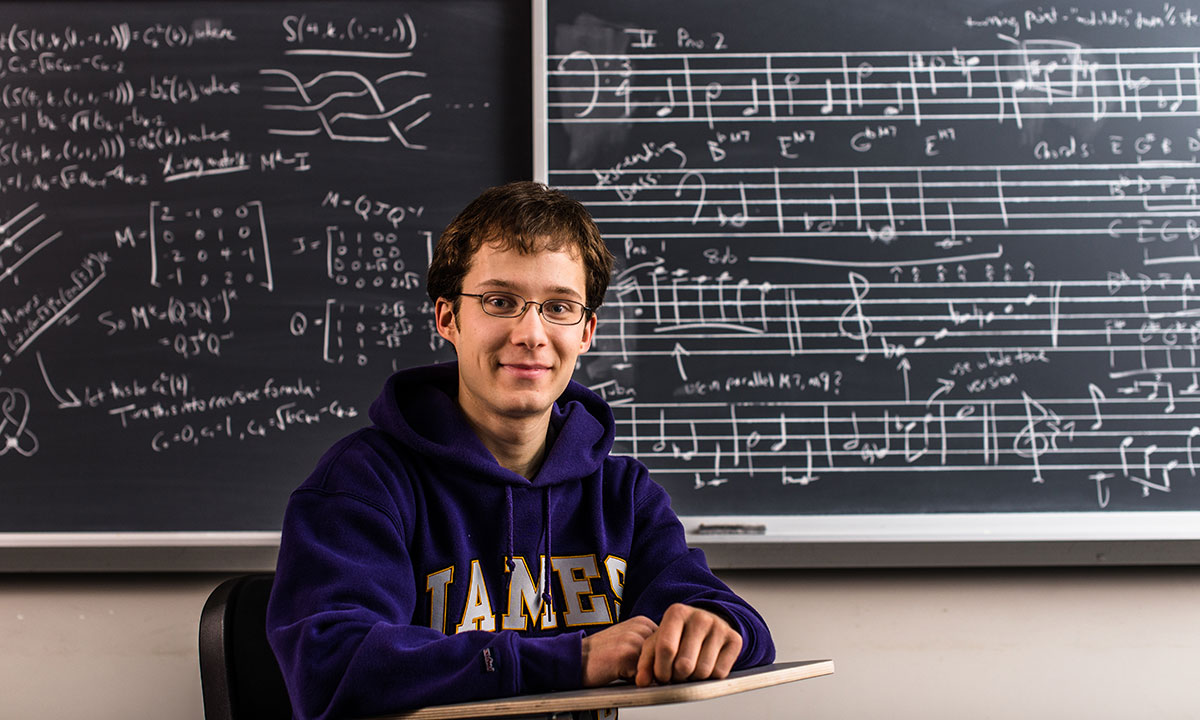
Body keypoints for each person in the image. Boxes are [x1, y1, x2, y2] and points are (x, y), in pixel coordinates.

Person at [266, 181, 775, 720]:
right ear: (447, 318)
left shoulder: (622, 494)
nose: (531, 333)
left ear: (587, 332)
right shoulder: (363, 484)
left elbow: (738, 625)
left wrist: (717, 629)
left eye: (559, 307)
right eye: (500, 302)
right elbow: (329, 666)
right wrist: (572, 659)